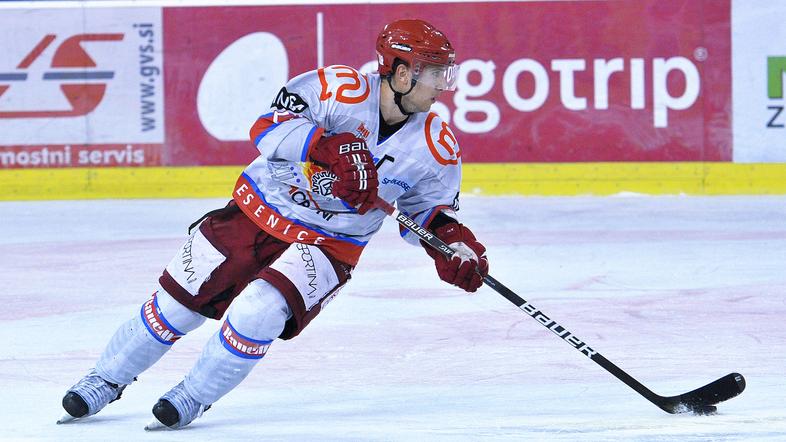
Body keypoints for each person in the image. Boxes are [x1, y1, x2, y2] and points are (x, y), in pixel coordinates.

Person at [58, 18, 489, 430]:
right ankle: (105, 379)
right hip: (257, 210)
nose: (442, 86)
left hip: (331, 243)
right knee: (176, 308)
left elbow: (430, 214)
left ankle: (192, 395)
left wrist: (453, 247)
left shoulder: (437, 145)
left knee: (258, 312)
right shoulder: (335, 89)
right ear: (399, 73)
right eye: (433, 73)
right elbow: (266, 128)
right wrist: (327, 147)